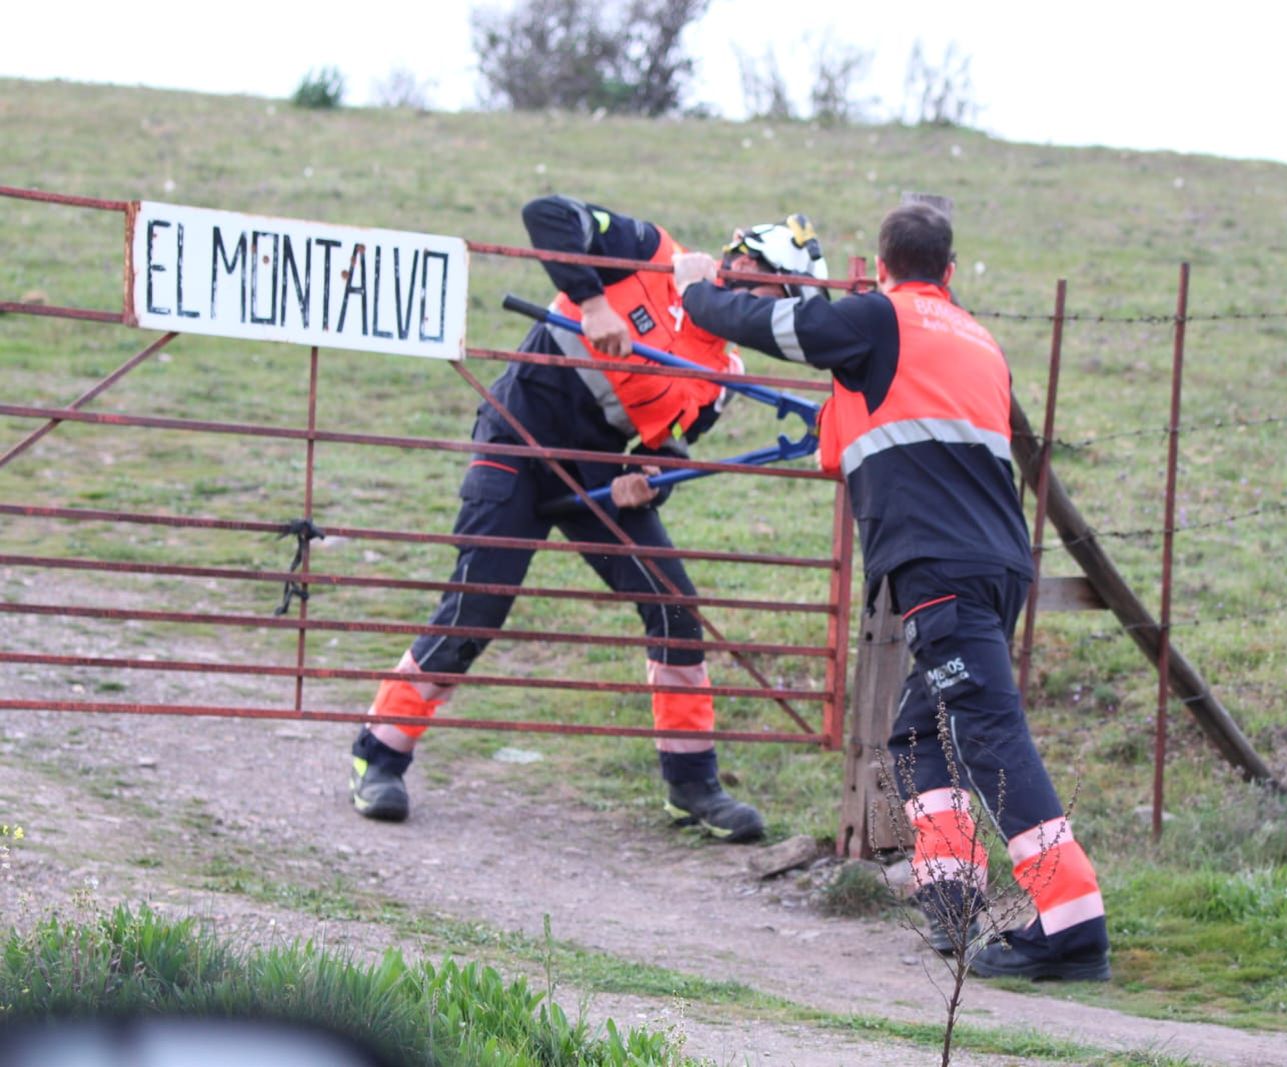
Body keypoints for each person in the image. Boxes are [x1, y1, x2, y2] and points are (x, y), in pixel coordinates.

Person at [672, 202, 1110, 980]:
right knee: (916, 738)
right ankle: (953, 907)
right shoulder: (976, 338)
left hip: (937, 569)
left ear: (880, 269)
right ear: (949, 271)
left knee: (988, 732)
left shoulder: (879, 321)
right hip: (998, 564)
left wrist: (699, 290)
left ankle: (1070, 922)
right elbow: (863, 437)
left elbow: (783, 339)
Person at [348, 195, 828, 843]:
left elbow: (662, 451)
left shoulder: (721, 373)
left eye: (789, 304)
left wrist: (647, 483)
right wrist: (595, 301)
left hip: (594, 464)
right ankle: (379, 755)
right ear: (742, 261)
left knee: (674, 605)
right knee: (478, 605)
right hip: (518, 436)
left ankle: (693, 784)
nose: (776, 312)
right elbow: (546, 214)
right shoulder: (650, 252)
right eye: (779, 291)